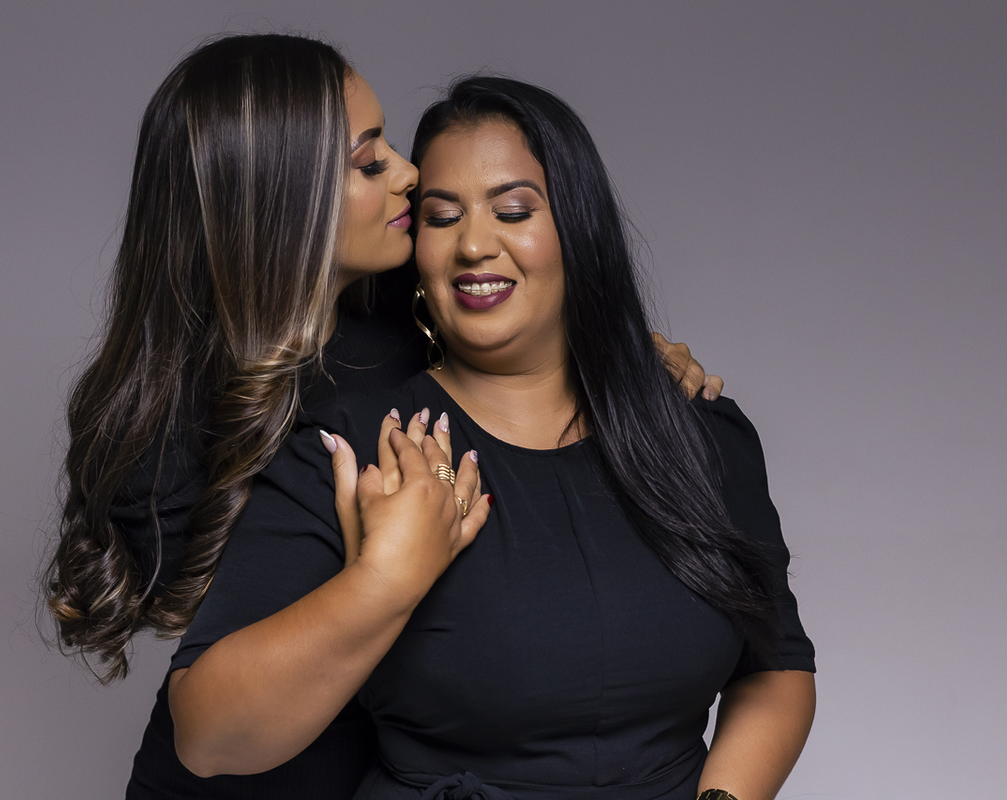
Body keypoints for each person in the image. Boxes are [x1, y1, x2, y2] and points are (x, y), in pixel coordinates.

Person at [42, 35, 718, 798]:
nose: (408, 173)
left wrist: (626, 359)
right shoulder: (165, 424)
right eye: (369, 164)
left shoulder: (406, 321)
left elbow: (529, 326)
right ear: (278, 200)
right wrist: (376, 566)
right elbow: (229, 656)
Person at [162, 76, 815, 800]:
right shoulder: (362, 447)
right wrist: (386, 579)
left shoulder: (702, 435)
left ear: (580, 230)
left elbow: (776, 665)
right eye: (441, 218)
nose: (474, 244)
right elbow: (207, 737)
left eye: (512, 211)